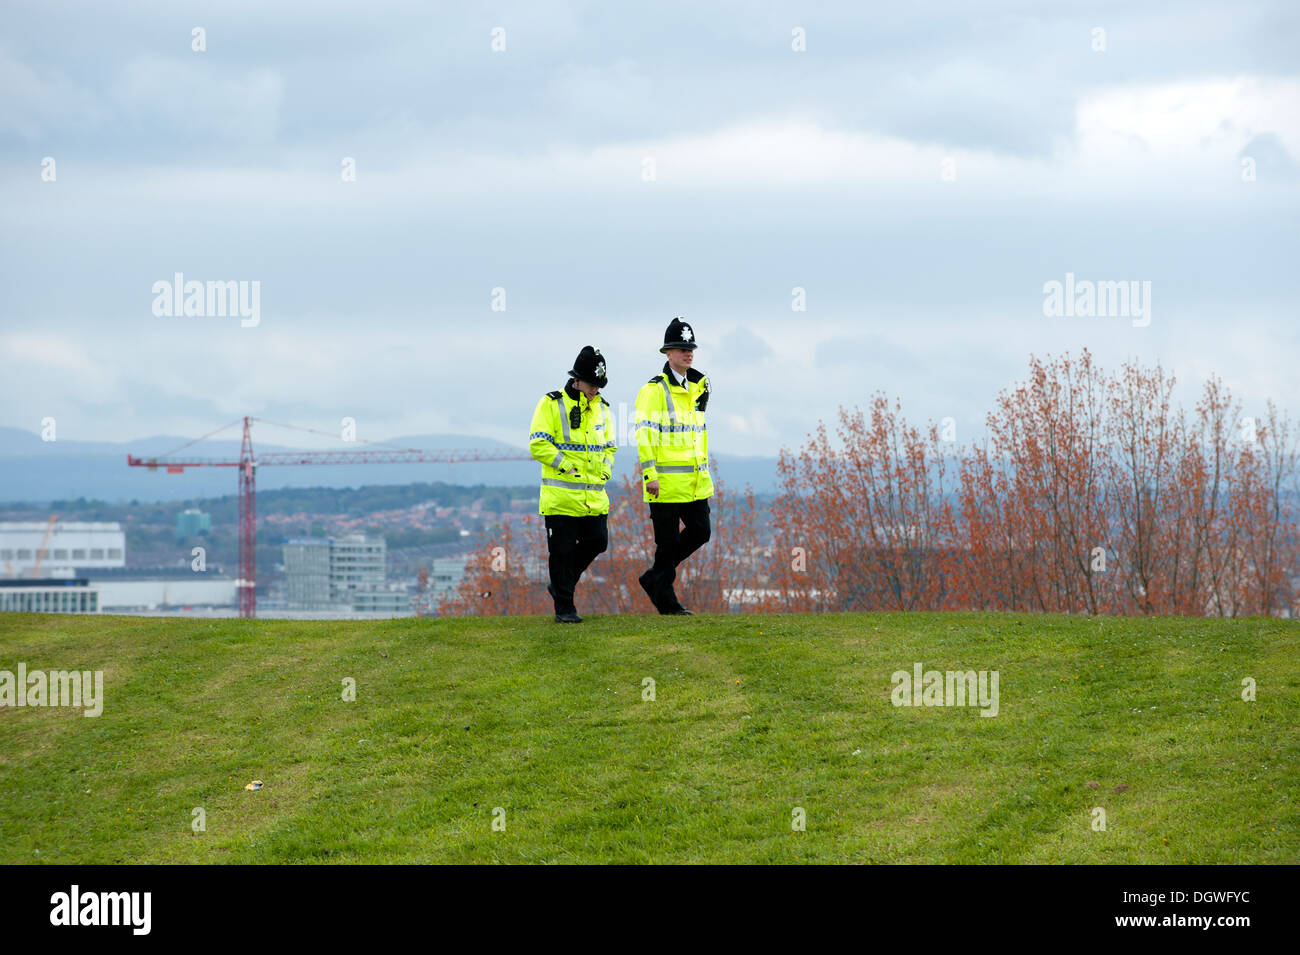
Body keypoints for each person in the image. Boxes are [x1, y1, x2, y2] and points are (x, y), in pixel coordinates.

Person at [527, 346, 617, 623]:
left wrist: (605, 472)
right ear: (576, 380)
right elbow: (538, 444)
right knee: (561, 552)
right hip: (561, 497)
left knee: (598, 542)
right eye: (592, 385)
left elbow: (610, 448)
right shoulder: (551, 404)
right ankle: (564, 608)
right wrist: (566, 465)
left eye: (599, 386)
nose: (595, 391)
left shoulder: (602, 408)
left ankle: (560, 584)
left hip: (593, 499)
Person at [633, 318, 713, 615]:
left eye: (690, 348)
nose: (687, 353)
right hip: (664, 483)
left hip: (694, 482)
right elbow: (645, 434)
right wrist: (649, 475)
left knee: (701, 532)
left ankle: (654, 577)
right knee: (666, 547)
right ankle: (667, 602)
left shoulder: (699, 387)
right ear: (667, 353)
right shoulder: (654, 390)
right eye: (681, 349)